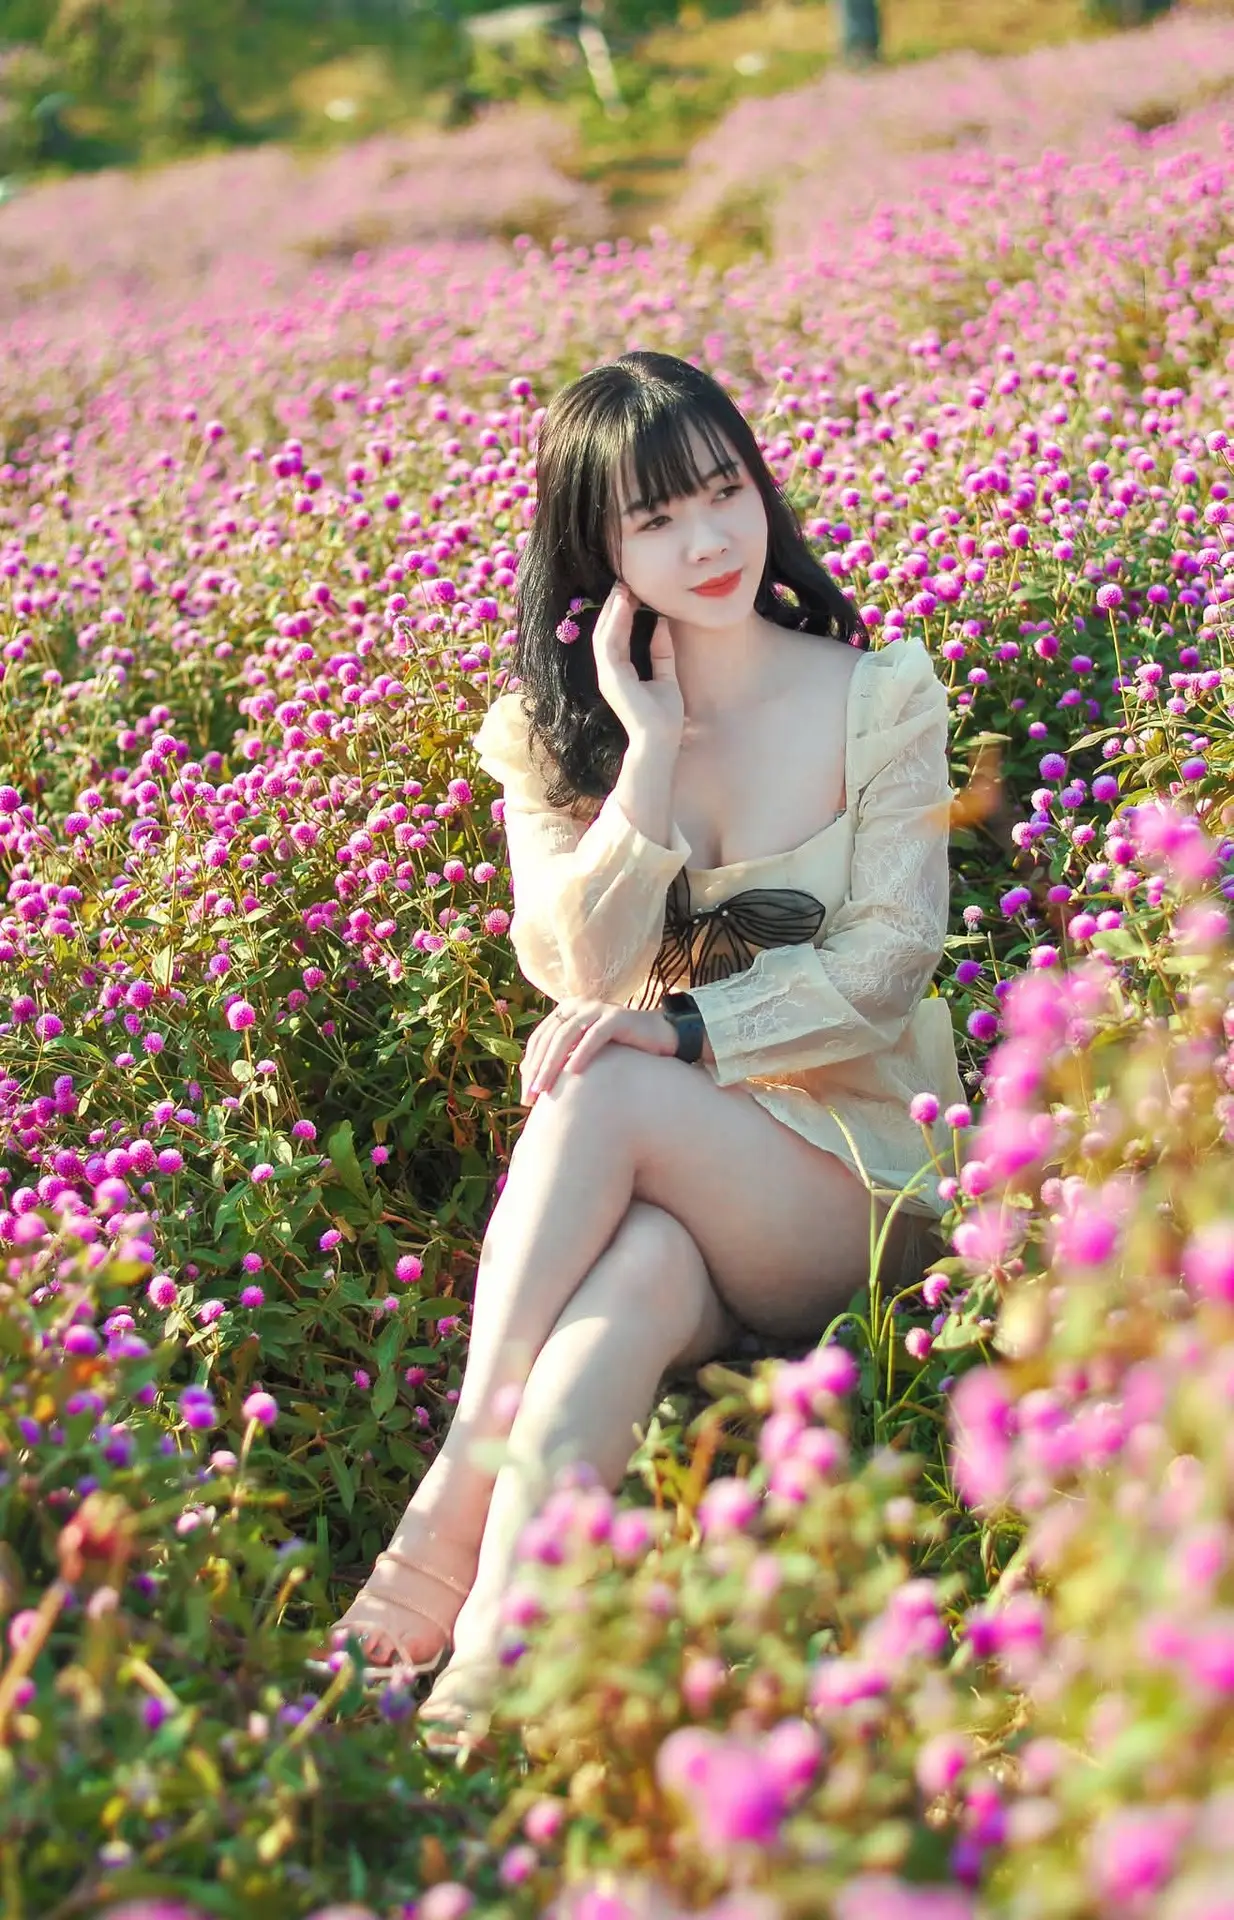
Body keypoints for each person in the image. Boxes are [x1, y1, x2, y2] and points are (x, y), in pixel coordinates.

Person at [312, 349, 966, 1755]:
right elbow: (575, 968)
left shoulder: (881, 695)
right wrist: (648, 755)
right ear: (596, 550)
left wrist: (682, 1029)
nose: (710, 539)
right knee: (617, 1305)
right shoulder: (553, 738)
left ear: (762, 488)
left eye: (724, 491)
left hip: (861, 1182)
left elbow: (886, 965)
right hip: (685, 1206)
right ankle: (480, 1683)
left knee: (606, 1074)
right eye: (657, 519)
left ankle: (436, 1519)